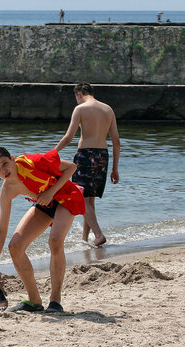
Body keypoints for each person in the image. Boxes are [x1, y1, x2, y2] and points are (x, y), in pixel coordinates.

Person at [0, 146, 84, 313]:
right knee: (15, 247)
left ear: (13, 158)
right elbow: (1, 229)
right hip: (44, 203)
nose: (3, 170)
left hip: (65, 196)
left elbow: (71, 167)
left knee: (55, 240)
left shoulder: (32, 162)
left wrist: (51, 192)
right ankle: (34, 300)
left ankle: (55, 301)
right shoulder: (7, 190)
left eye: (5, 163)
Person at [53, 82, 121, 247]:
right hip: (102, 156)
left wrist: (53, 153)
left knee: (80, 196)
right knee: (89, 199)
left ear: (79, 94)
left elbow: (69, 137)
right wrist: (114, 169)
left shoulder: (80, 109)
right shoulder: (108, 109)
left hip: (85, 155)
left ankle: (98, 235)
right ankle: (85, 239)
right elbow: (116, 142)